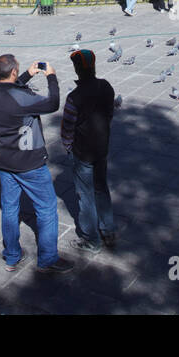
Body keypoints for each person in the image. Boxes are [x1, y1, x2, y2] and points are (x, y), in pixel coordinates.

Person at [0, 54, 73, 275]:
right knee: (47, 207)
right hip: (30, 163)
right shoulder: (21, 99)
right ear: (13, 72)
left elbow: (10, 92)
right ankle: (48, 257)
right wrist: (51, 77)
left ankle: (12, 255)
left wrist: (26, 75)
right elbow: (52, 103)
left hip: (5, 163)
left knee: (10, 208)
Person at [60, 50, 117, 252]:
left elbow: (67, 127)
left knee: (85, 194)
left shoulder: (74, 97)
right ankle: (108, 230)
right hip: (102, 148)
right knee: (101, 188)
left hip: (82, 152)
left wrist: (67, 147)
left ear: (77, 69)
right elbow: (110, 113)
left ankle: (91, 239)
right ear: (93, 66)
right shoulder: (106, 87)